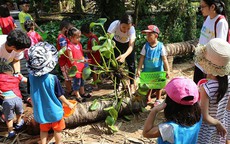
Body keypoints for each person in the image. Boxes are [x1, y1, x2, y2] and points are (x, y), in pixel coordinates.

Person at [26, 42, 75, 144]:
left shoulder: (30, 78)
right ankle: (58, 143)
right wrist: (68, 103)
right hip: (54, 110)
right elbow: (59, 95)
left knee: (43, 130)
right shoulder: (53, 78)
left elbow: (30, 92)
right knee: (57, 129)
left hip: (41, 111)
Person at [143, 77, 202, 143]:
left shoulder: (169, 128)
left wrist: (154, 110)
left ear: (169, 103)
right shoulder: (199, 119)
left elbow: (146, 132)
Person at [194, 38, 230, 143]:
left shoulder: (206, 88)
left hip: (207, 131)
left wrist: (217, 124)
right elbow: (228, 109)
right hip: (222, 128)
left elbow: (205, 116)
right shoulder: (228, 81)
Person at [194, 0, 228, 84]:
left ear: (212, 7)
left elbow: (220, 49)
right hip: (200, 63)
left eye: (203, 7)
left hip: (210, 68)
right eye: (200, 7)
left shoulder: (221, 22)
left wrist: (210, 71)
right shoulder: (207, 18)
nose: (201, 9)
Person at [136, 25, 170, 106]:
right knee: (147, 84)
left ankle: (158, 99)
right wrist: (138, 69)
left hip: (158, 70)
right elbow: (141, 58)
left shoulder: (160, 46)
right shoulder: (146, 46)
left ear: (156, 36)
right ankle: (147, 97)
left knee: (158, 85)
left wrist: (167, 70)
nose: (147, 37)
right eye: (146, 35)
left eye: (150, 35)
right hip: (147, 70)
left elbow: (164, 59)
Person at [0, 30, 31, 105]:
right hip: (3, 62)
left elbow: (16, 60)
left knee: (17, 78)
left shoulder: (18, 46)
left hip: (6, 63)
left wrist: (17, 74)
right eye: (22, 49)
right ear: (13, 47)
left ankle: (27, 97)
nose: (23, 50)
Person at [107, 14, 136, 94]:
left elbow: (131, 46)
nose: (125, 30)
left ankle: (132, 84)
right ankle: (117, 86)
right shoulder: (114, 24)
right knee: (117, 66)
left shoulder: (132, 30)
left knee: (131, 64)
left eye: (128, 28)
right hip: (116, 44)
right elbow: (108, 39)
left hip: (127, 45)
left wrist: (124, 55)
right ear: (119, 23)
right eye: (123, 27)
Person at [0, 58, 27, 138]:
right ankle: (19, 123)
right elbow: (25, 80)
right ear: (11, 71)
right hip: (18, 99)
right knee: (19, 112)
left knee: (9, 117)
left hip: (7, 100)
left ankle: (11, 131)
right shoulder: (15, 76)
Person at [66, 27, 91, 103]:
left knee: (82, 80)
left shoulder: (79, 44)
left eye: (80, 37)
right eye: (77, 37)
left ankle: (82, 92)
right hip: (75, 67)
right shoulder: (69, 47)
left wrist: (84, 58)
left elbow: (81, 53)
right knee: (77, 81)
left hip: (81, 65)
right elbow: (71, 59)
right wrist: (80, 60)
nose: (79, 39)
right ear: (71, 37)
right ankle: (77, 95)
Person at [81, 23, 100, 90]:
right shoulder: (93, 37)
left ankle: (95, 85)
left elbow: (94, 50)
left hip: (94, 58)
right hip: (94, 57)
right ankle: (98, 81)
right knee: (96, 70)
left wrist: (84, 51)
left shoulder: (93, 39)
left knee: (93, 71)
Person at [56, 20, 73, 96]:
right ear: (64, 29)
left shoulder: (64, 37)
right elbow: (64, 49)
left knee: (69, 76)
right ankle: (69, 90)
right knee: (67, 77)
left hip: (66, 60)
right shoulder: (62, 38)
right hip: (64, 61)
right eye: (68, 29)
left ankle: (70, 89)